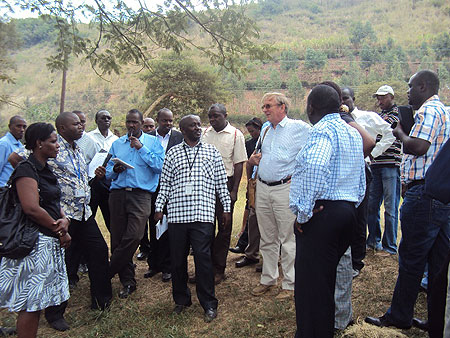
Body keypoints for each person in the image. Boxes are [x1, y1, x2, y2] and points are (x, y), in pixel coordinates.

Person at [365, 70, 450, 331]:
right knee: (438, 263)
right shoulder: (444, 111)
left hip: (424, 194)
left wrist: (401, 131)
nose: (408, 92)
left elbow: (418, 147)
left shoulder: (428, 111)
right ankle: (435, 322)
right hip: (440, 195)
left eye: (411, 87)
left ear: (423, 86)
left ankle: (400, 316)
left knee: (411, 258)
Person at [290, 85, 366, 337]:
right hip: (346, 212)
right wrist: (351, 206)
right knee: (325, 282)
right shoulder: (351, 132)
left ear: (311, 107)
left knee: (312, 288)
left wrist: (304, 213)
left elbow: (314, 166)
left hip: (323, 214)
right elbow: (360, 176)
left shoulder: (321, 130)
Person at [154, 114, 231, 322]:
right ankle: (181, 300)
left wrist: (226, 209)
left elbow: (221, 184)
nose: (198, 128)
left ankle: (209, 303)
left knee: (203, 260)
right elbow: (165, 184)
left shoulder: (211, 152)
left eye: (199, 124)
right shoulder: (173, 154)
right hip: (178, 216)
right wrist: (159, 208)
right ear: (183, 129)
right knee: (177, 260)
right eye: (193, 125)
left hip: (203, 214)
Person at [0, 123, 71, 338]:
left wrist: (64, 219)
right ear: (39, 144)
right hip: (34, 244)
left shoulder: (45, 169)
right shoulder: (26, 170)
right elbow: (31, 207)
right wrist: (58, 229)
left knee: (37, 302)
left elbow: (51, 200)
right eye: (53, 141)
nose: (58, 145)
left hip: (47, 241)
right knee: (31, 303)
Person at [45, 112, 112, 331]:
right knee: (61, 261)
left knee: (99, 251)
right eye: (75, 124)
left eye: (80, 123)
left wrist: (96, 177)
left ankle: (101, 301)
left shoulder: (79, 149)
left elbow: (79, 179)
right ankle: (55, 313)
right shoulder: (53, 150)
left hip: (84, 213)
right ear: (62, 128)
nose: (80, 126)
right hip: (64, 216)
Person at [96, 109, 164, 298]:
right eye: (128, 122)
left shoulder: (153, 143)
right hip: (117, 194)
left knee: (135, 235)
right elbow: (108, 171)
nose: (131, 125)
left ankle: (107, 272)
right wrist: (114, 170)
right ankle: (128, 282)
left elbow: (160, 166)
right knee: (117, 239)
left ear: (142, 123)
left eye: (135, 122)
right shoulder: (117, 144)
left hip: (141, 195)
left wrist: (141, 148)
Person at [248, 92, 310, 299]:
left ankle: (290, 284)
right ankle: (268, 279)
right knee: (267, 236)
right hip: (264, 187)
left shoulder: (299, 128)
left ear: (282, 107)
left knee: (288, 238)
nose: (265, 110)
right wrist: (254, 159)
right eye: (264, 106)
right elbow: (261, 155)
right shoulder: (265, 129)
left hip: (285, 188)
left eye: (269, 106)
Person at [341, 86, 395, 276]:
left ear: (353, 98)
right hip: (343, 172)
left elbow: (389, 133)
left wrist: (374, 154)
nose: (343, 102)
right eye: (339, 99)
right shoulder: (336, 121)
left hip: (362, 170)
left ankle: (357, 261)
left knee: (360, 215)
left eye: (346, 98)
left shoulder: (367, 117)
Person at [202, 103, 247, 284]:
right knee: (204, 228)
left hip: (226, 185)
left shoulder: (236, 135)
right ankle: (204, 269)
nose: (212, 119)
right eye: (210, 116)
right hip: (204, 185)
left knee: (224, 227)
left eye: (216, 116)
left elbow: (238, 164)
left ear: (225, 115)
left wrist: (234, 190)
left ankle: (219, 270)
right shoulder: (204, 133)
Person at [142, 108, 183, 282]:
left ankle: (168, 266)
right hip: (152, 188)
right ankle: (154, 264)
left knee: (168, 226)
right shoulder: (148, 138)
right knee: (154, 225)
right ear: (157, 120)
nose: (168, 124)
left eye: (170, 121)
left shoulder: (179, 137)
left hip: (173, 189)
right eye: (164, 120)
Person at [367, 85, 402, 255]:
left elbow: (379, 131)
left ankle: (390, 247)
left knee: (390, 207)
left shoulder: (397, 115)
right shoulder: (378, 117)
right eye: (378, 97)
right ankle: (373, 241)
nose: (379, 101)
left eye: (383, 97)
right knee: (372, 206)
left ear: (391, 97)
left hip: (390, 165)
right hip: (376, 164)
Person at [234, 117, 264, 269]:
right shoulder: (253, 143)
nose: (251, 134)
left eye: (252, 131)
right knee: (253, 218)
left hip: (272, 185)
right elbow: (249, 163)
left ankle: (269, 259)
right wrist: (250, 184)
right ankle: (251, 254)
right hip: (256, 184)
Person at [87, 109, 119, 231]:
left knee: (111, 218)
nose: (106, 120)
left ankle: (115, 247)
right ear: (96, 120)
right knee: (90, 215)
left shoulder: (116, 139)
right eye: (103, 118)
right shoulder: (89, 137)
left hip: (108, 182)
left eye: (108, 118)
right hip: (92, 182)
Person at [0, 116, 26, 186]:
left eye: (24, 127)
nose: (22, 130)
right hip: (3, 190)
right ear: (10, 127)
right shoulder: (4, 144)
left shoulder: (20, 145)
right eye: (18, 126)